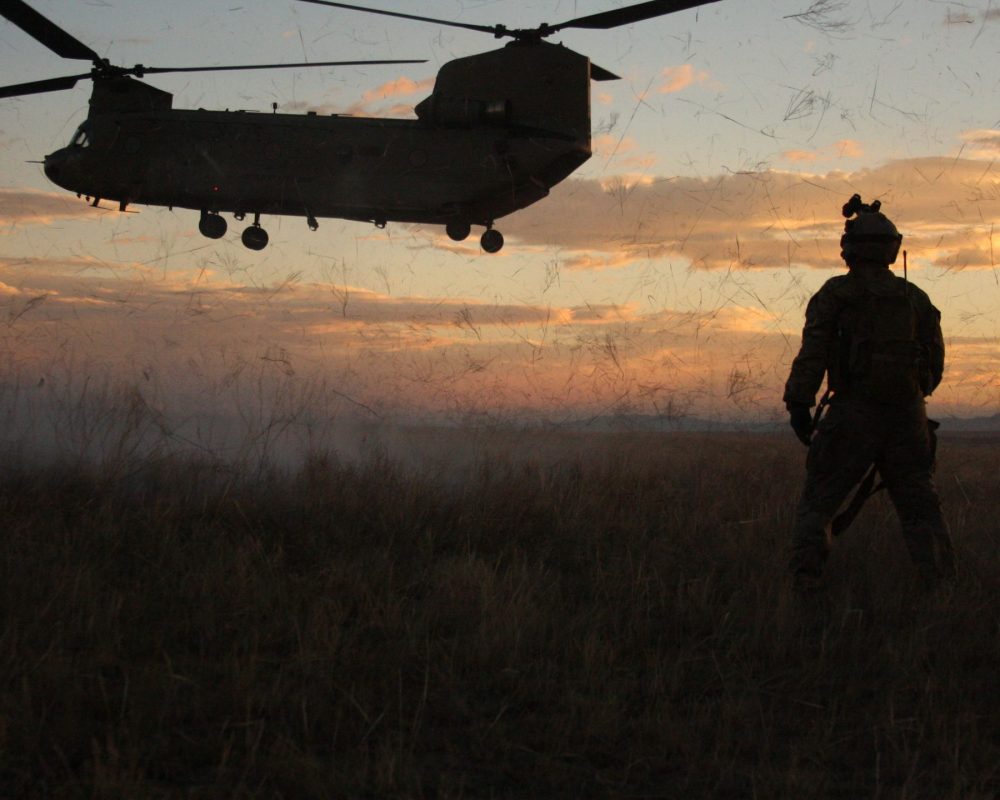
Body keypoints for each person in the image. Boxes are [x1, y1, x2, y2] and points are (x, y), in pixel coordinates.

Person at [783, 195, 956, 594]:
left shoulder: (836, 294)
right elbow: (935, 367)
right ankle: (943, 592)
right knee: (921, 509)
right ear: (892, 249)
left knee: (818, 505)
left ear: (850, 250)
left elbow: (813, 353)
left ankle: (803, 589)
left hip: (852, 415)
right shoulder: (916, 298)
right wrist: (909, 397)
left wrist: (798, 403)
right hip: (908, 419)